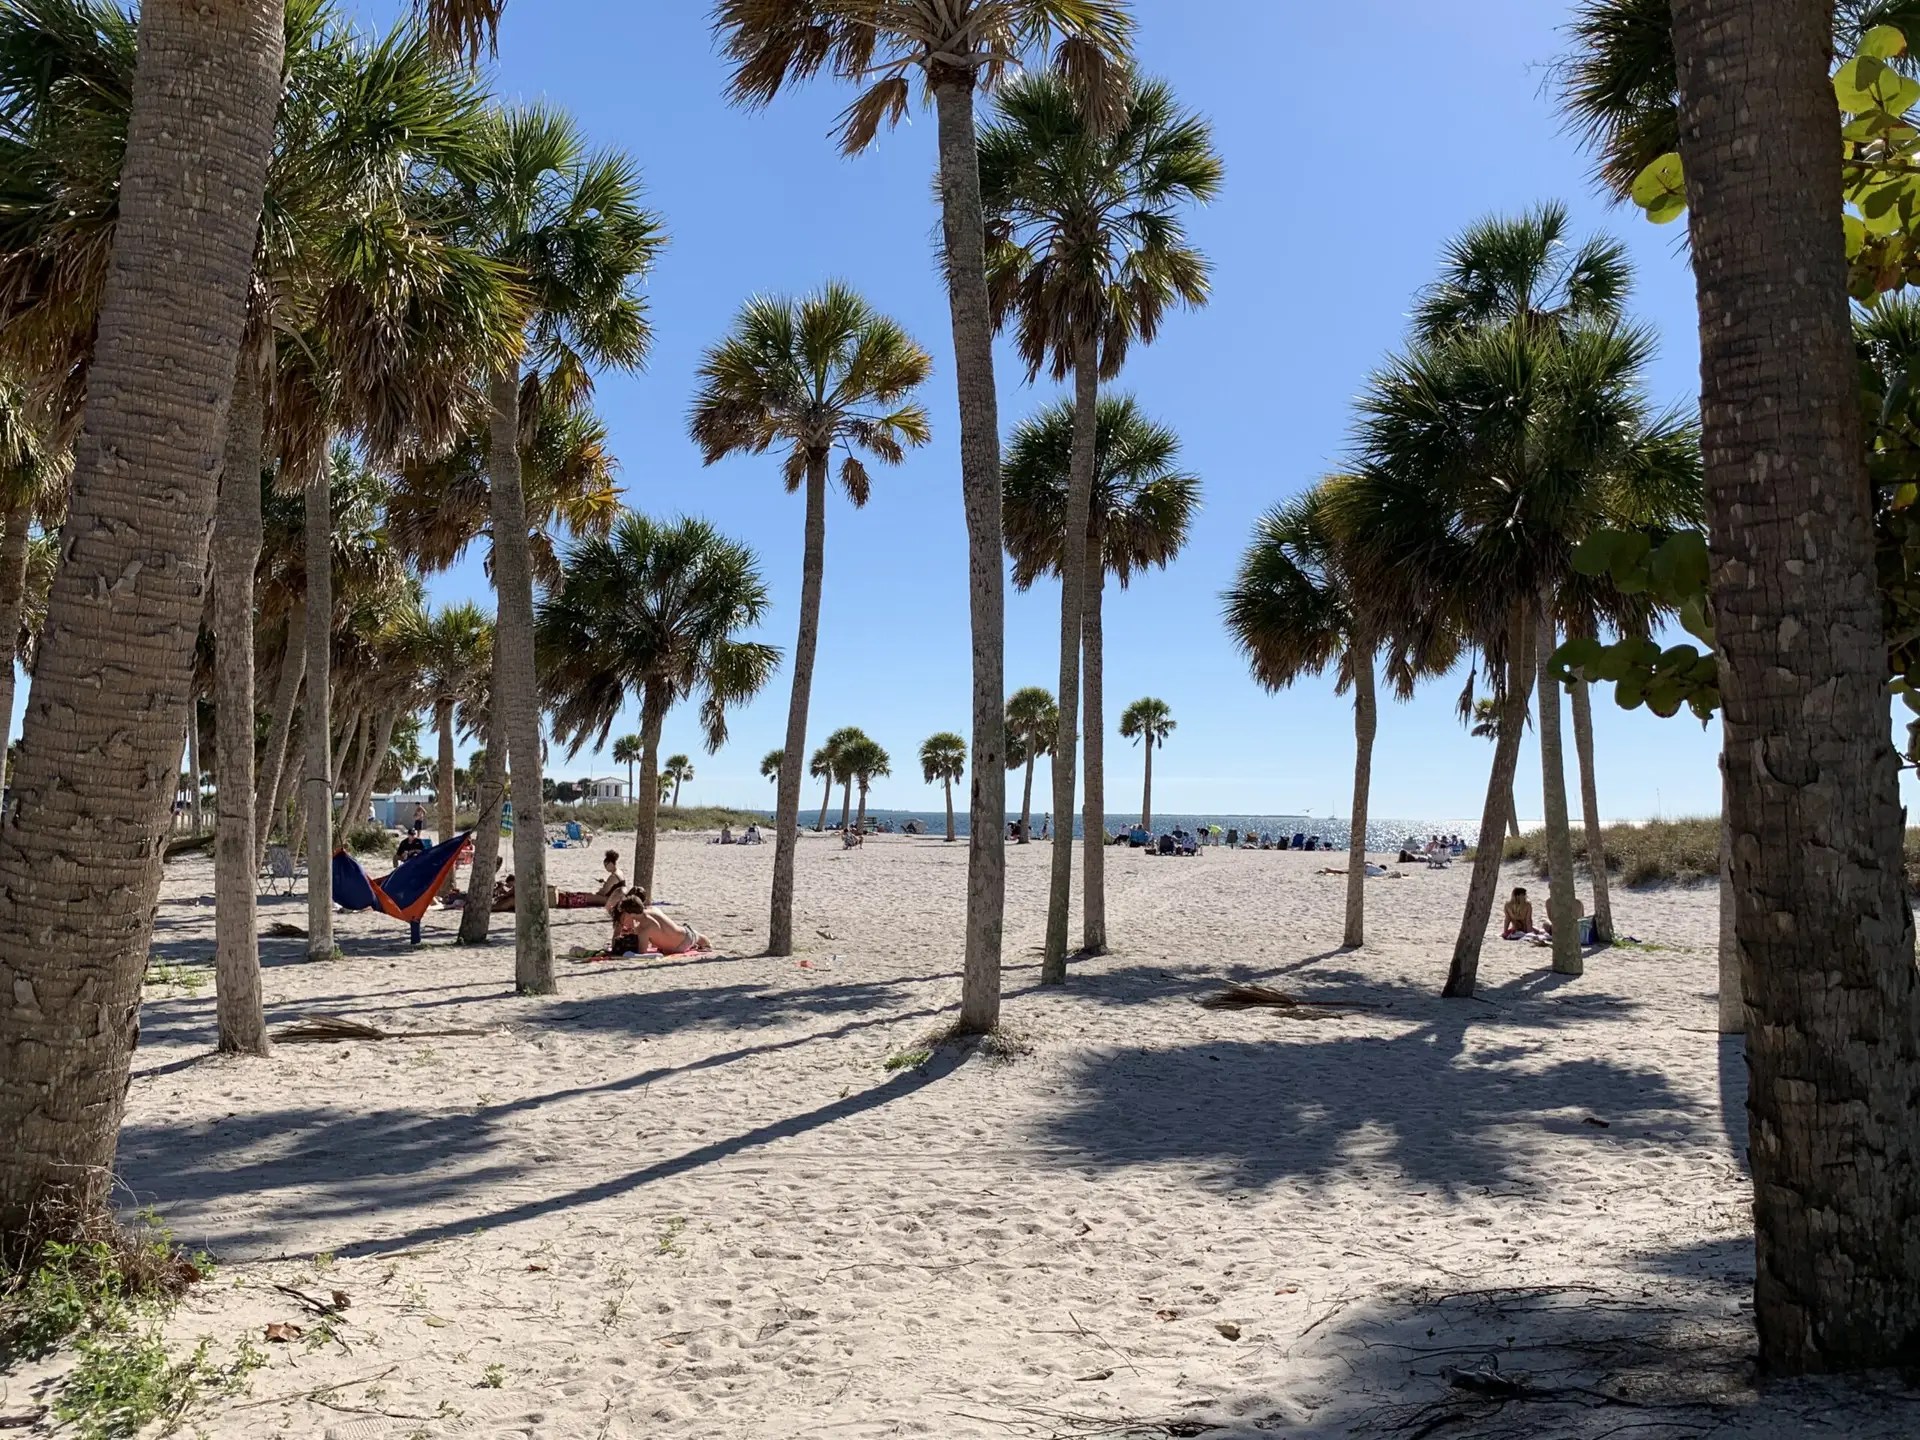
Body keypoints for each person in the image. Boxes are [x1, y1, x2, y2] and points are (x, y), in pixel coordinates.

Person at [610, 893, 710, 956]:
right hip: (683, 936)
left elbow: (641, 953)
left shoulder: (645, 928)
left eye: (623, 917)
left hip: (684, 941)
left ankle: (705, 943)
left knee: (700, 938)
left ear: (629, 913)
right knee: (696, 937)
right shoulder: (651, 910)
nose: (623, 923)